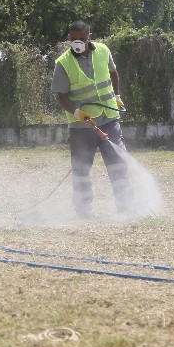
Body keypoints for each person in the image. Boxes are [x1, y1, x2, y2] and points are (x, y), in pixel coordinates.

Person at [52, 20, 135, 218]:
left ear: (89, 36)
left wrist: (117, 96)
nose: (78, 42)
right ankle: (83, 211)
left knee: (118, 164)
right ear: (69, 38)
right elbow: (61, 97)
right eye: (74, 39)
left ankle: (126, 207)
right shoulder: (63, 63)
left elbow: (114, 73)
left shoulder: (103, 51)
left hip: (109, 119)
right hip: (81, 127)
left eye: (82, 38)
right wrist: (77, 113)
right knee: (81, 170)